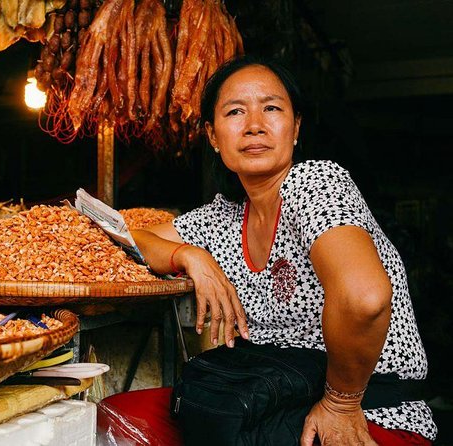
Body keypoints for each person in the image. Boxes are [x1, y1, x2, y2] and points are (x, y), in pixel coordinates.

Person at [131, 56, 436, 445]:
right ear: (212, 135)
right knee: (121, 414)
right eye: (235, 111)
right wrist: (189, 256)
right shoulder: (222, 218)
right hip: (271, 399)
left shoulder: (315, 184)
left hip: (366, 412)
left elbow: (364, 298)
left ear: (295, 128)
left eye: (271, 108)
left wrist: (341, 404)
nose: (254, 125)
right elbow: (130, 236)